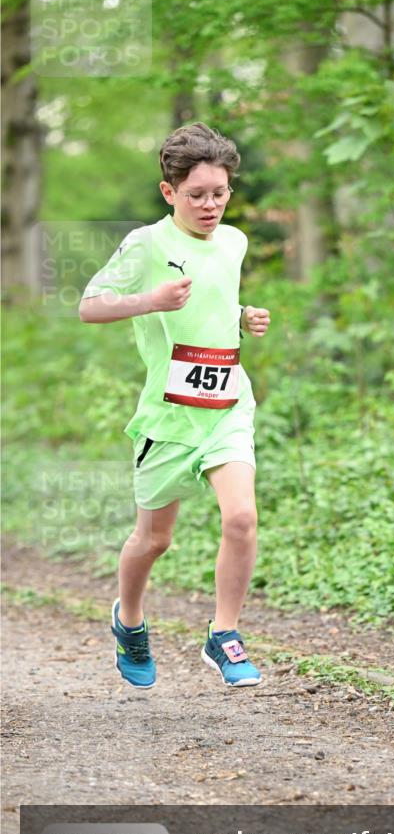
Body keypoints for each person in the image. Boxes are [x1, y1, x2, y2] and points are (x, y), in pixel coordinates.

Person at [79, 122, 270, 691]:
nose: (210, 205)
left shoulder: (233, 242)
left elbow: (214, 301)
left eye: (220, 192)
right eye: (196, 195)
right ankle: (129, 621)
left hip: (226, 401)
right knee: (154, 540)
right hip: (169, 414)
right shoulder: (148, 244)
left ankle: (224, 634)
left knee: (241, 517)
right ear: (169, 193)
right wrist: (149, 300)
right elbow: (90, 306)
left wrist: (242, 318)